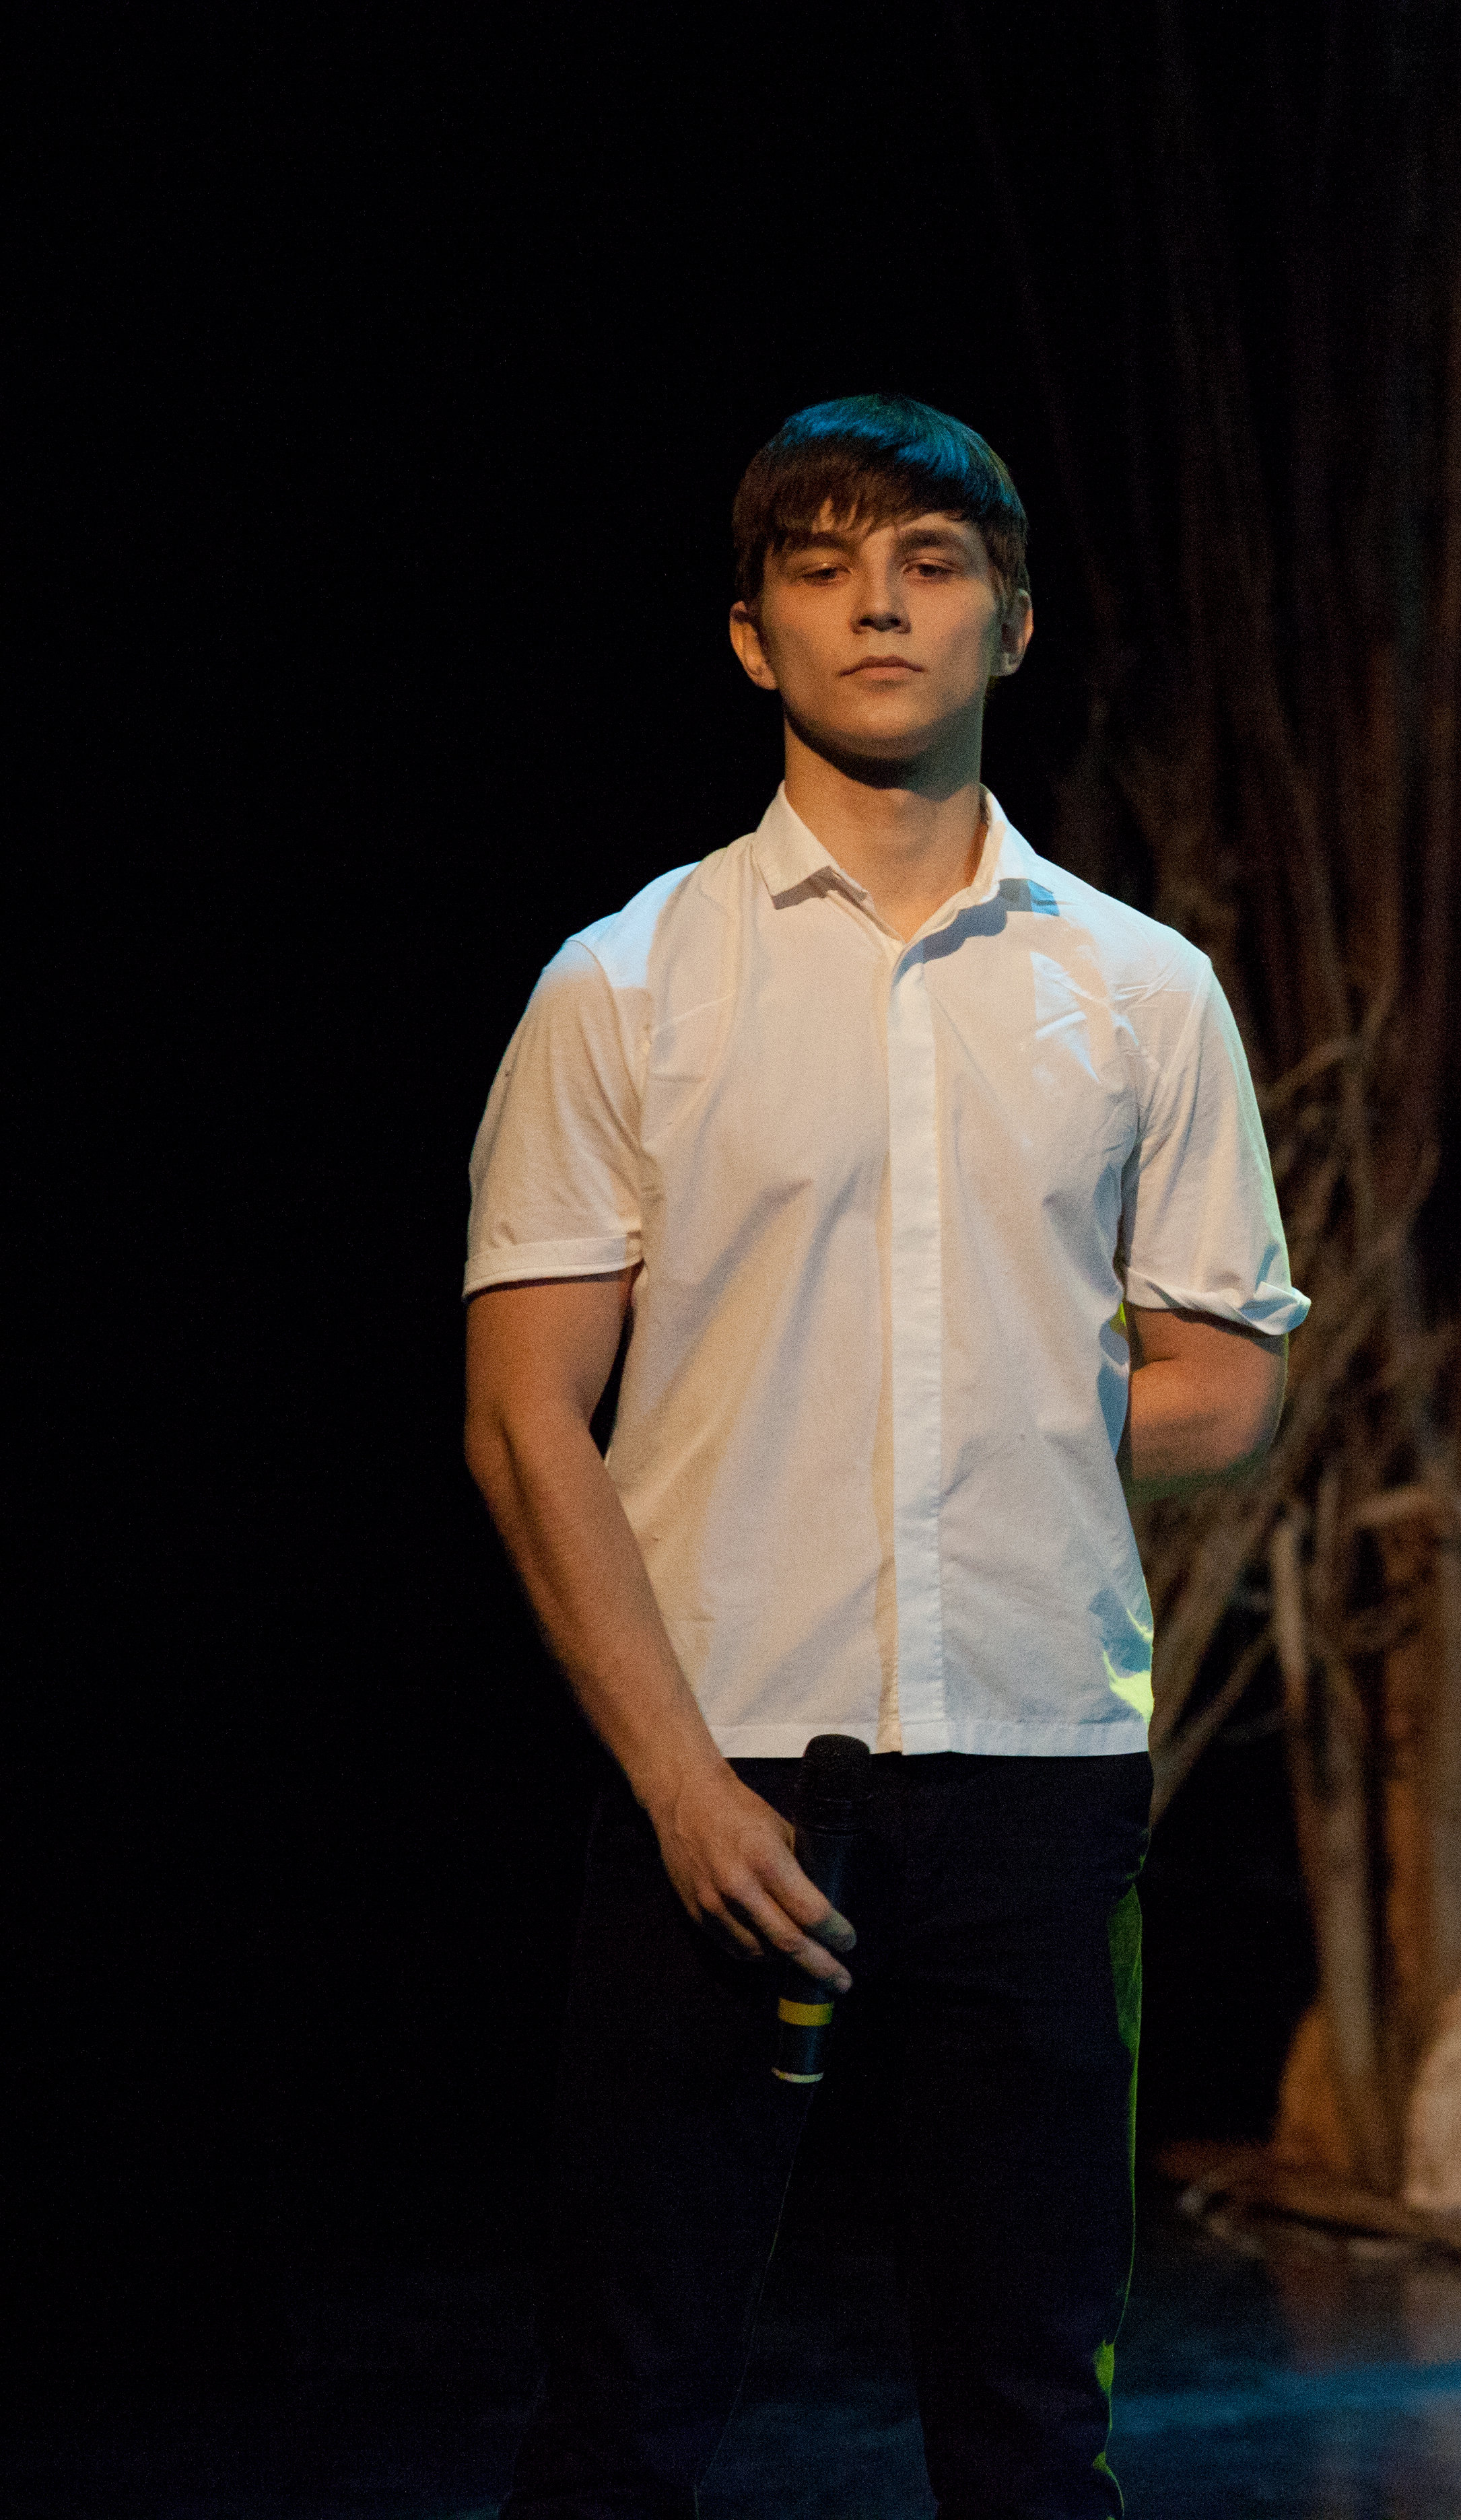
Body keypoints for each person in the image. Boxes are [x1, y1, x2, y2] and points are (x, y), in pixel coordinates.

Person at [463, 394, 1303, 2516]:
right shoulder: (626, 983)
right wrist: (678, 1783)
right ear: (752, 634)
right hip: (724, 1760)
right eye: (824, 567)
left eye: (930, 565)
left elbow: (1231, 1382)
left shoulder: (1142, 989)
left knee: (1032, 2417)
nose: (879, 607)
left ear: (1010, 623)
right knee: (628, 2402)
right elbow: (522, 1417)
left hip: (1036, 1771)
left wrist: (996, 1401)